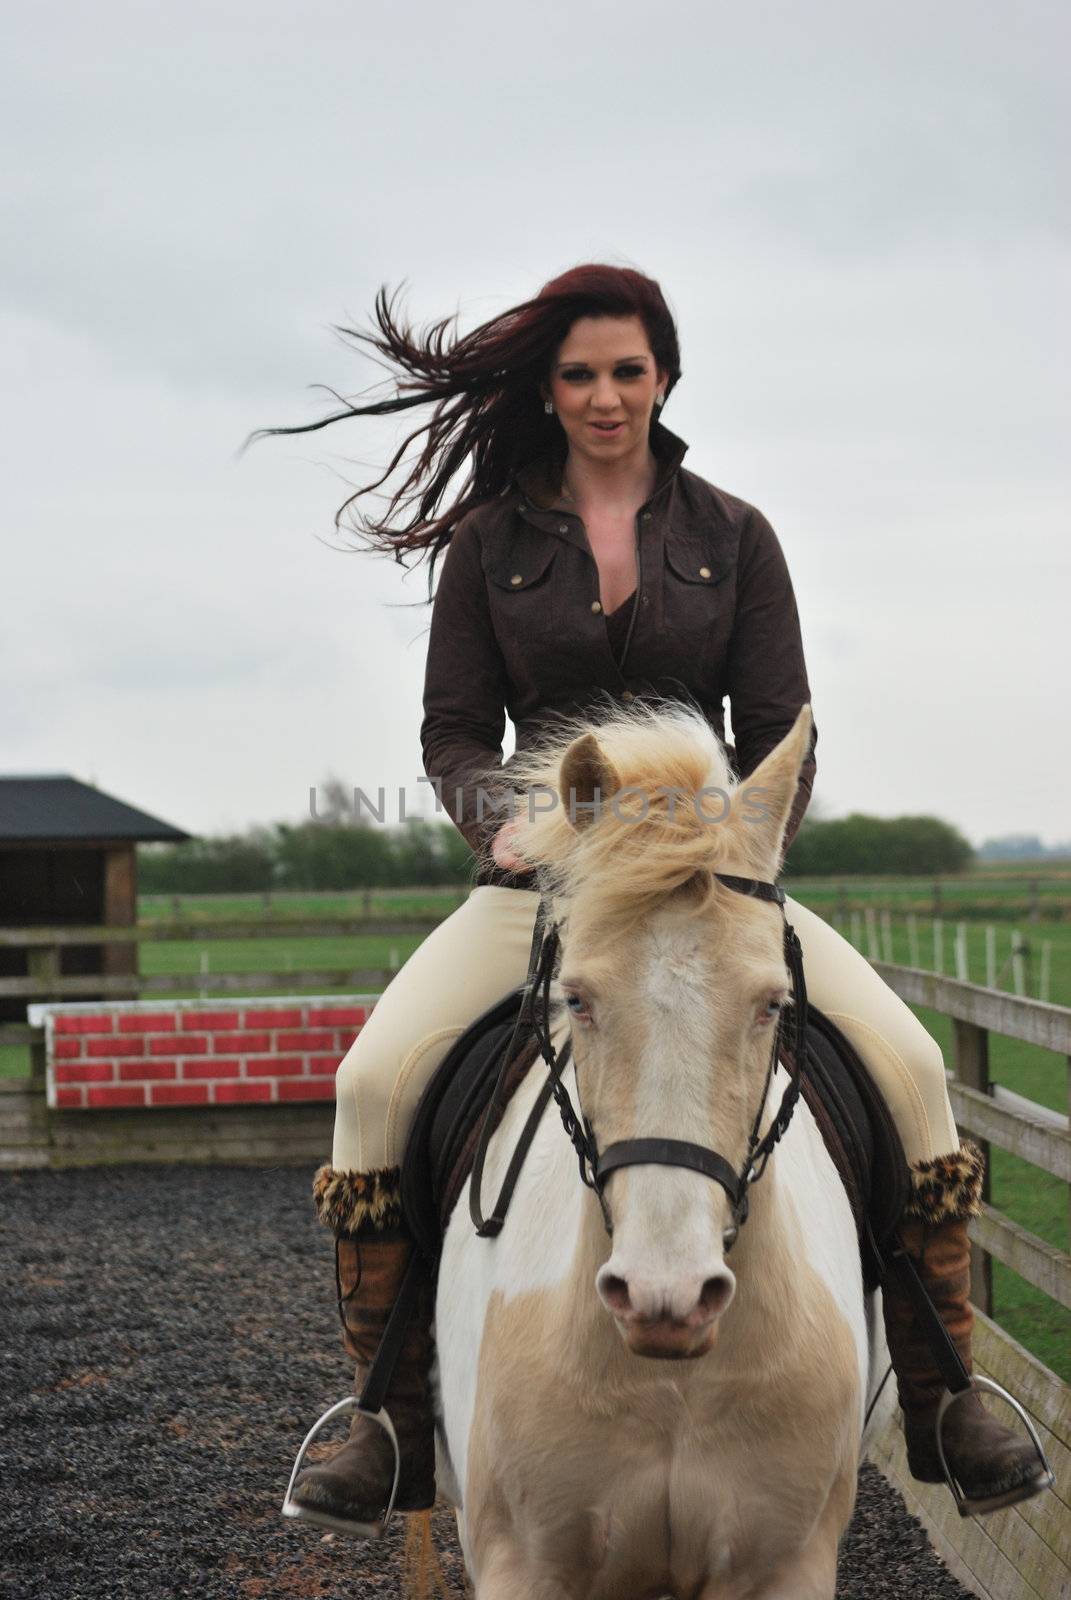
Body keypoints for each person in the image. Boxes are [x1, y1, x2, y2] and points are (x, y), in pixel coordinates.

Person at [260, 264, 1048, 1534]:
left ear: (665, 378)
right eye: (580, 373)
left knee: (907, 1068)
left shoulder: (735, 536)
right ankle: (390, 1413)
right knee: (370, 1085)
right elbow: (454, 731)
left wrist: (742, 845)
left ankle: (949, 1395)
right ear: (550, 390)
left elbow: (784, 725)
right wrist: (500, 823)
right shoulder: (488, 547)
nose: (606, 394)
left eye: (628, 370)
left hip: (711, 887)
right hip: (546, 889)